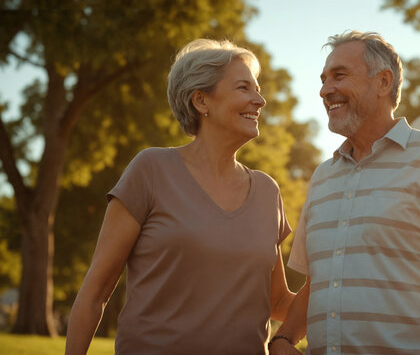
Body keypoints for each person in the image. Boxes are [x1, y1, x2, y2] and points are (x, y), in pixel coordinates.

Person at [269, 31, 420, 355]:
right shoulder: (323, 176)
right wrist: (283, 340)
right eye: (323, 79)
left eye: (339, 75)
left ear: (383, 82)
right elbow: (319, 285)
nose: (325, 89)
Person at [65, 39, 295, 355]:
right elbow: (96, 293)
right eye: (244, 88)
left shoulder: (268, 191)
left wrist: (344, 276)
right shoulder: (151, 170)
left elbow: (278, 302)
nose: (260, 100)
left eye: (258, 89)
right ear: (201, 101)